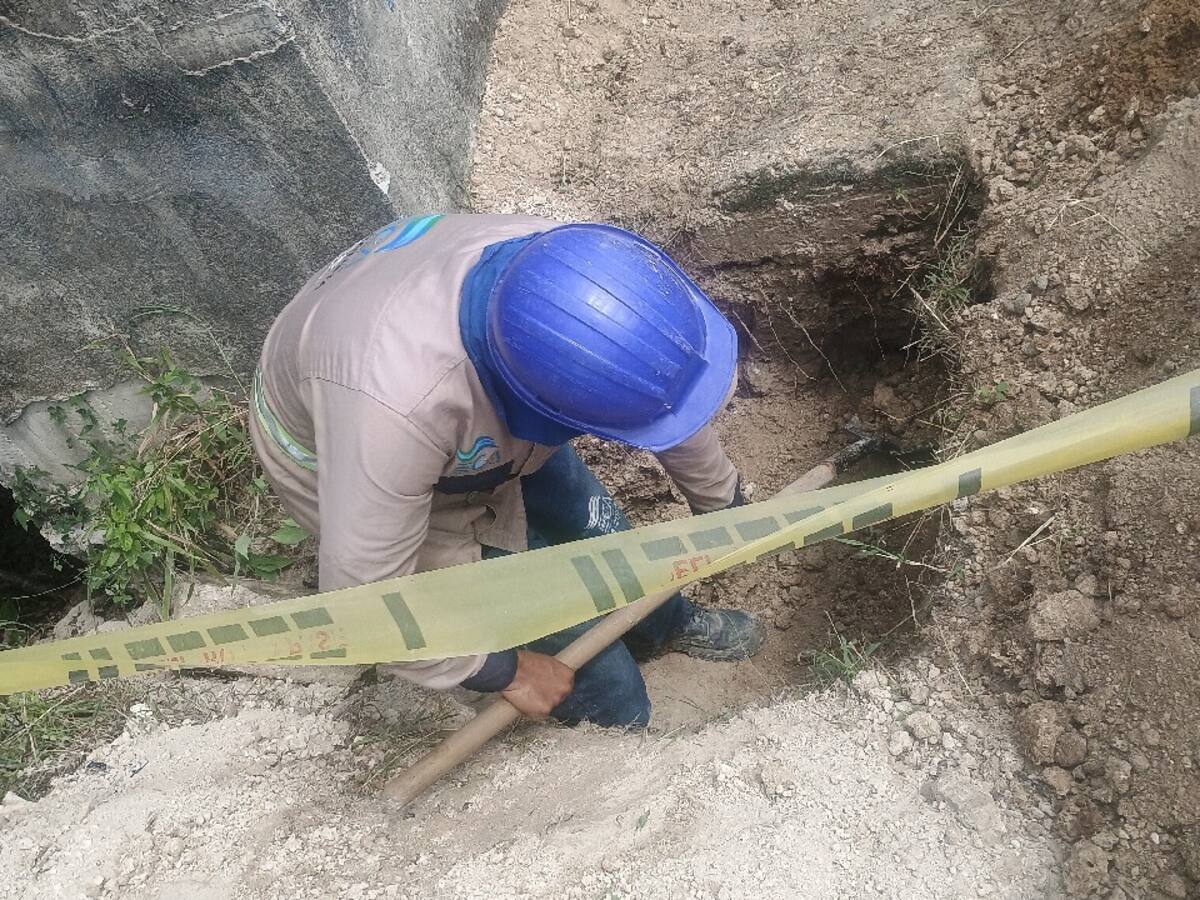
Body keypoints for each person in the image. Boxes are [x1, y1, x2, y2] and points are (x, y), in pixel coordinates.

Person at [249, 214, 763, 729]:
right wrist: (504, 671)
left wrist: (721, 503)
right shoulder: (393, 414)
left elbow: (664, 394)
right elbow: (366, 600)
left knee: (597, 531)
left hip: (464, 395)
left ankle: (668, 624)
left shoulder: (578, 281)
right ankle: (617, 727)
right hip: (347, 455)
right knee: (609, 688)